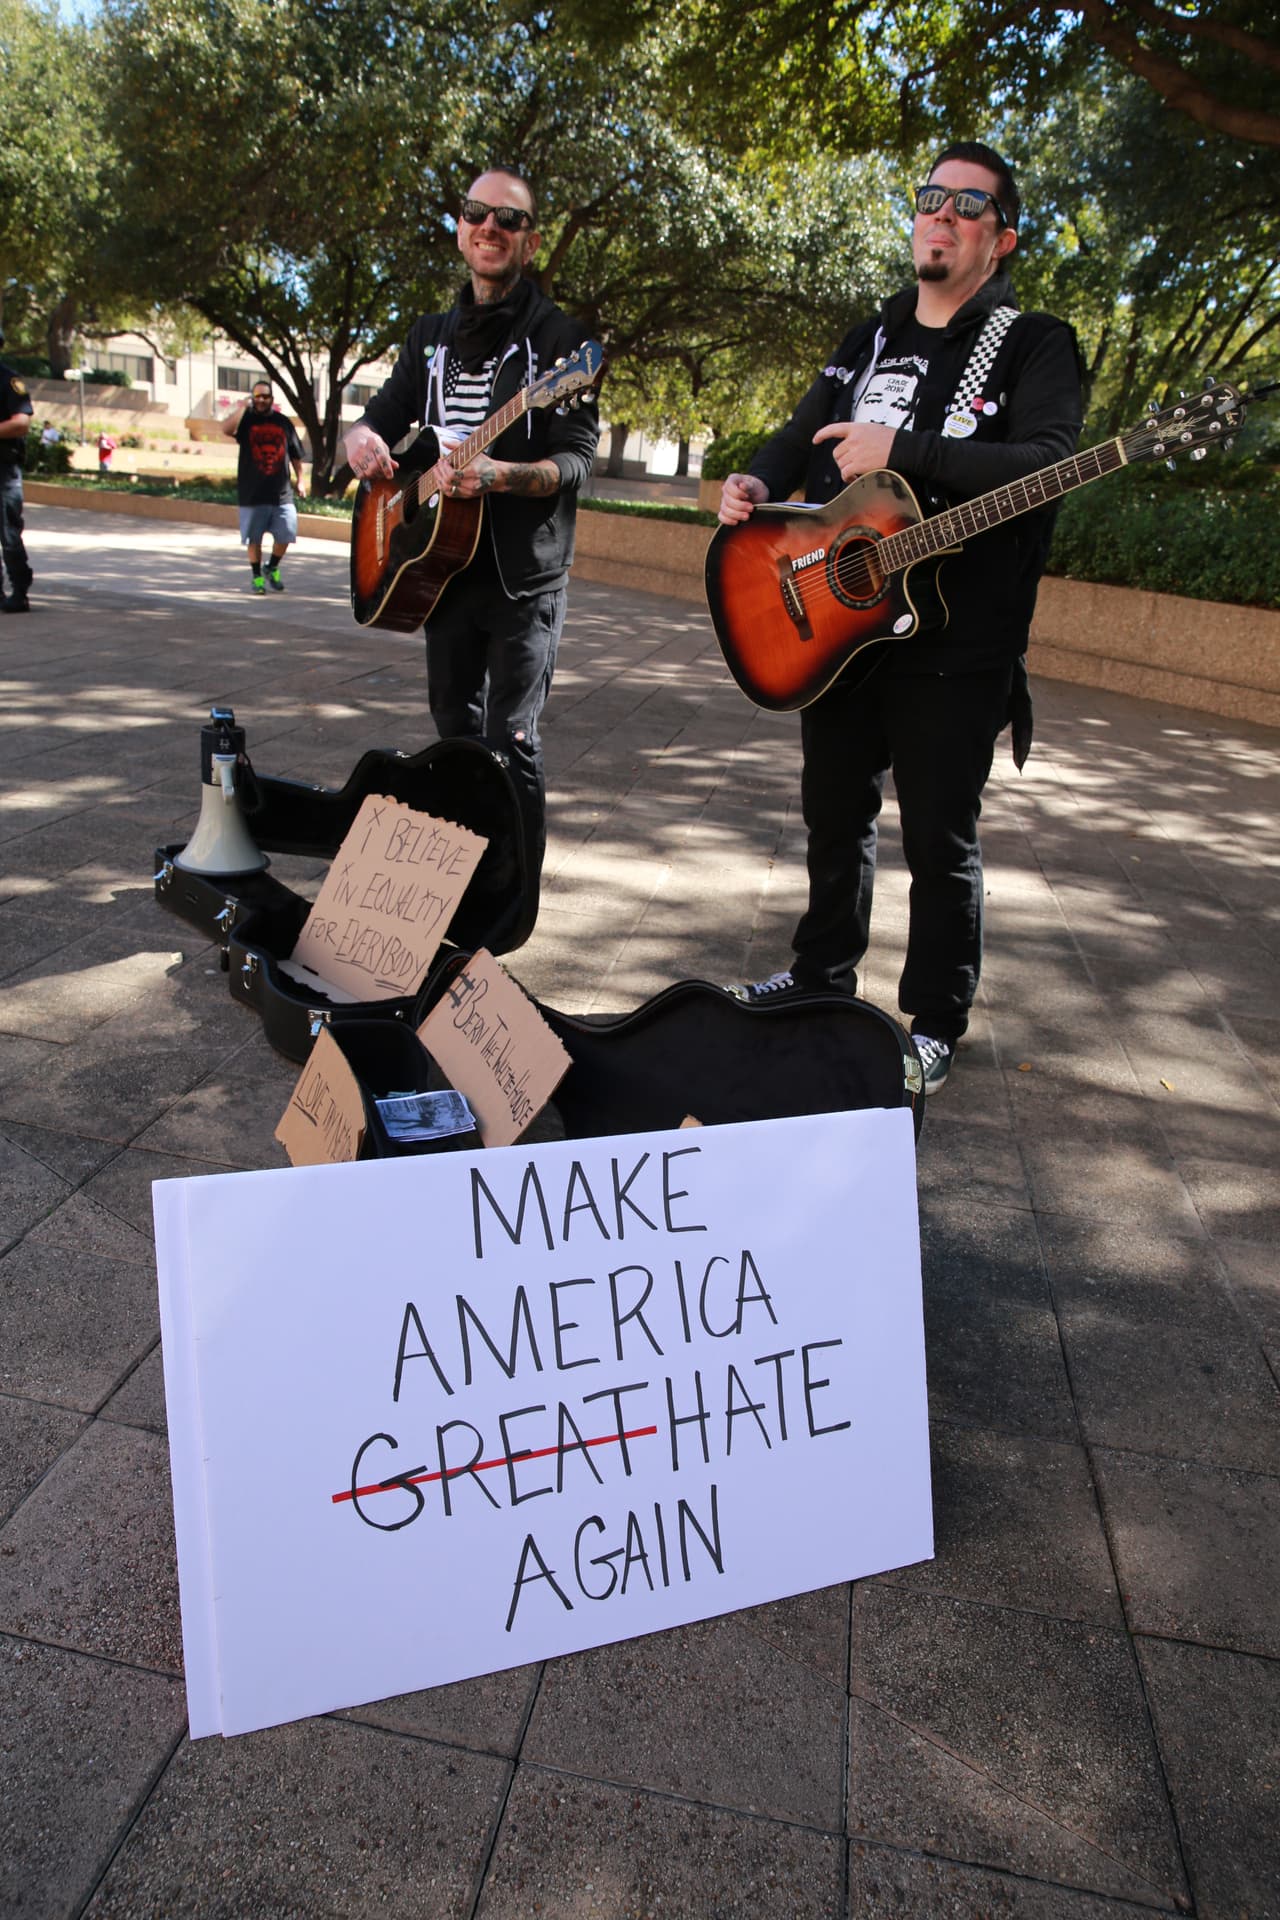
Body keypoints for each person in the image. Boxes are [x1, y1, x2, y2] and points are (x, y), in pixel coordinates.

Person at [719, 141, 1083, 1095]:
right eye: (931, 198)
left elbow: (1043, 468)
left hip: (958, 643)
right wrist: (757, 476)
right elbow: (801, 434)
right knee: (832, 816)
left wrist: (903, 446)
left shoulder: (1034, 342)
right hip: (839, 624)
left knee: (939, 839)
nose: (942, 214)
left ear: (1000, 240)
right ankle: (819, 974)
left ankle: (933, 1024)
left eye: (968, 205)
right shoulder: (868, 337)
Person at [343, 165, 600, 884]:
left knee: (510, 740)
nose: (490, 227)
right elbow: (382, 419)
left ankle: (512, 900)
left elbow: (575, 462)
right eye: (476, 213)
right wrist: (358, 438)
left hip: (521, 581)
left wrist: (500, 475)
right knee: (455, 733)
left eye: (508, 220)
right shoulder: (429, 336)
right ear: (460, 229)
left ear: (531, 242)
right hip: (438, 567)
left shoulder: (562, 344)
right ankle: (467, 877)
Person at [222, 378, 306, 594]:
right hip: (253, 493)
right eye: (257, 396)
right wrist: (243, 407)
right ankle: (257, 576)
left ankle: (272, 567)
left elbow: (296, 455)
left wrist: (301, 479)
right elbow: (226, 429)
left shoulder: (283, 423)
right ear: (253, 398)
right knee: (254, 539)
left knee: (287, 533)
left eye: (265, 396)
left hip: (282, 494)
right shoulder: (247, 420)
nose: (261, 400)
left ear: (272, 399)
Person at [0, 329, 35, 615]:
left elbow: (21, 423)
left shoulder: (9, 381)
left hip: (3, 469)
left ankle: (19, 591)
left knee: (9, 534)